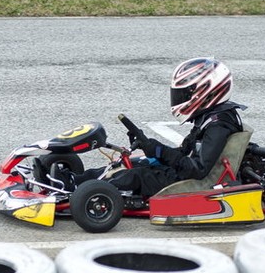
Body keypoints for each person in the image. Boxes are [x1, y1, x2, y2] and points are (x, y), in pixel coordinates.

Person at [62, 57, 247, 197]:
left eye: (185, 94)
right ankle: (73, 179)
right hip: (188, 173)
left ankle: (80, 192)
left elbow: (197, 169)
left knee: (137, 175)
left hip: (195, 182)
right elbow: (184, 153)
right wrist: (152, 147)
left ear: (206, 92)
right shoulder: (210, 117)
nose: (179, 99)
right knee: (135, 162)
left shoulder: (218, 124)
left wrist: (159, 151)